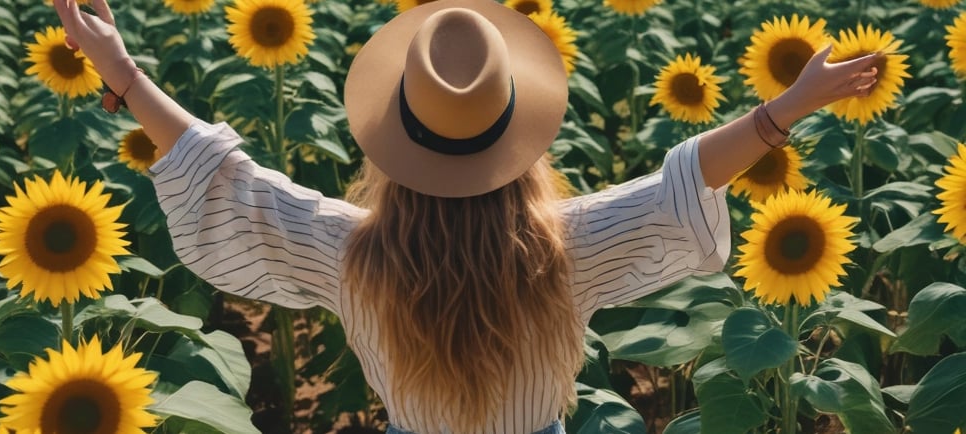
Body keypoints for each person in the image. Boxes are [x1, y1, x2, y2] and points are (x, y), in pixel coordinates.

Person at [53, 0, 879, 432]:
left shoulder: (350, 254)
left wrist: (122, 71)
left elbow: (229, 176)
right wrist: (786, 109)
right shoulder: (563, 248)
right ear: (518, 141)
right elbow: (681, 181)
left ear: (392, 141)